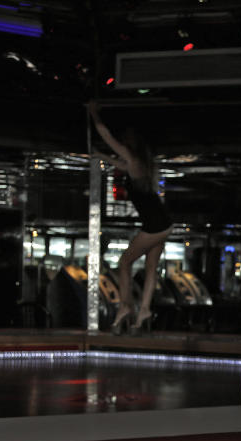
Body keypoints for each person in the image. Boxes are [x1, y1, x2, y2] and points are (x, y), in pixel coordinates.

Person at [87, 100, 173, 334]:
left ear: (129, 146)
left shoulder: (133, 160)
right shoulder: (141, 165)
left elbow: (107, 136)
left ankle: (125, 307)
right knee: (151, 268)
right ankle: (143, 311)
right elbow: (121, 164)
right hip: (163, 223)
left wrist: (95, 115)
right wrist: (102, 157)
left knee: (124, 263)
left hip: (155, 225)